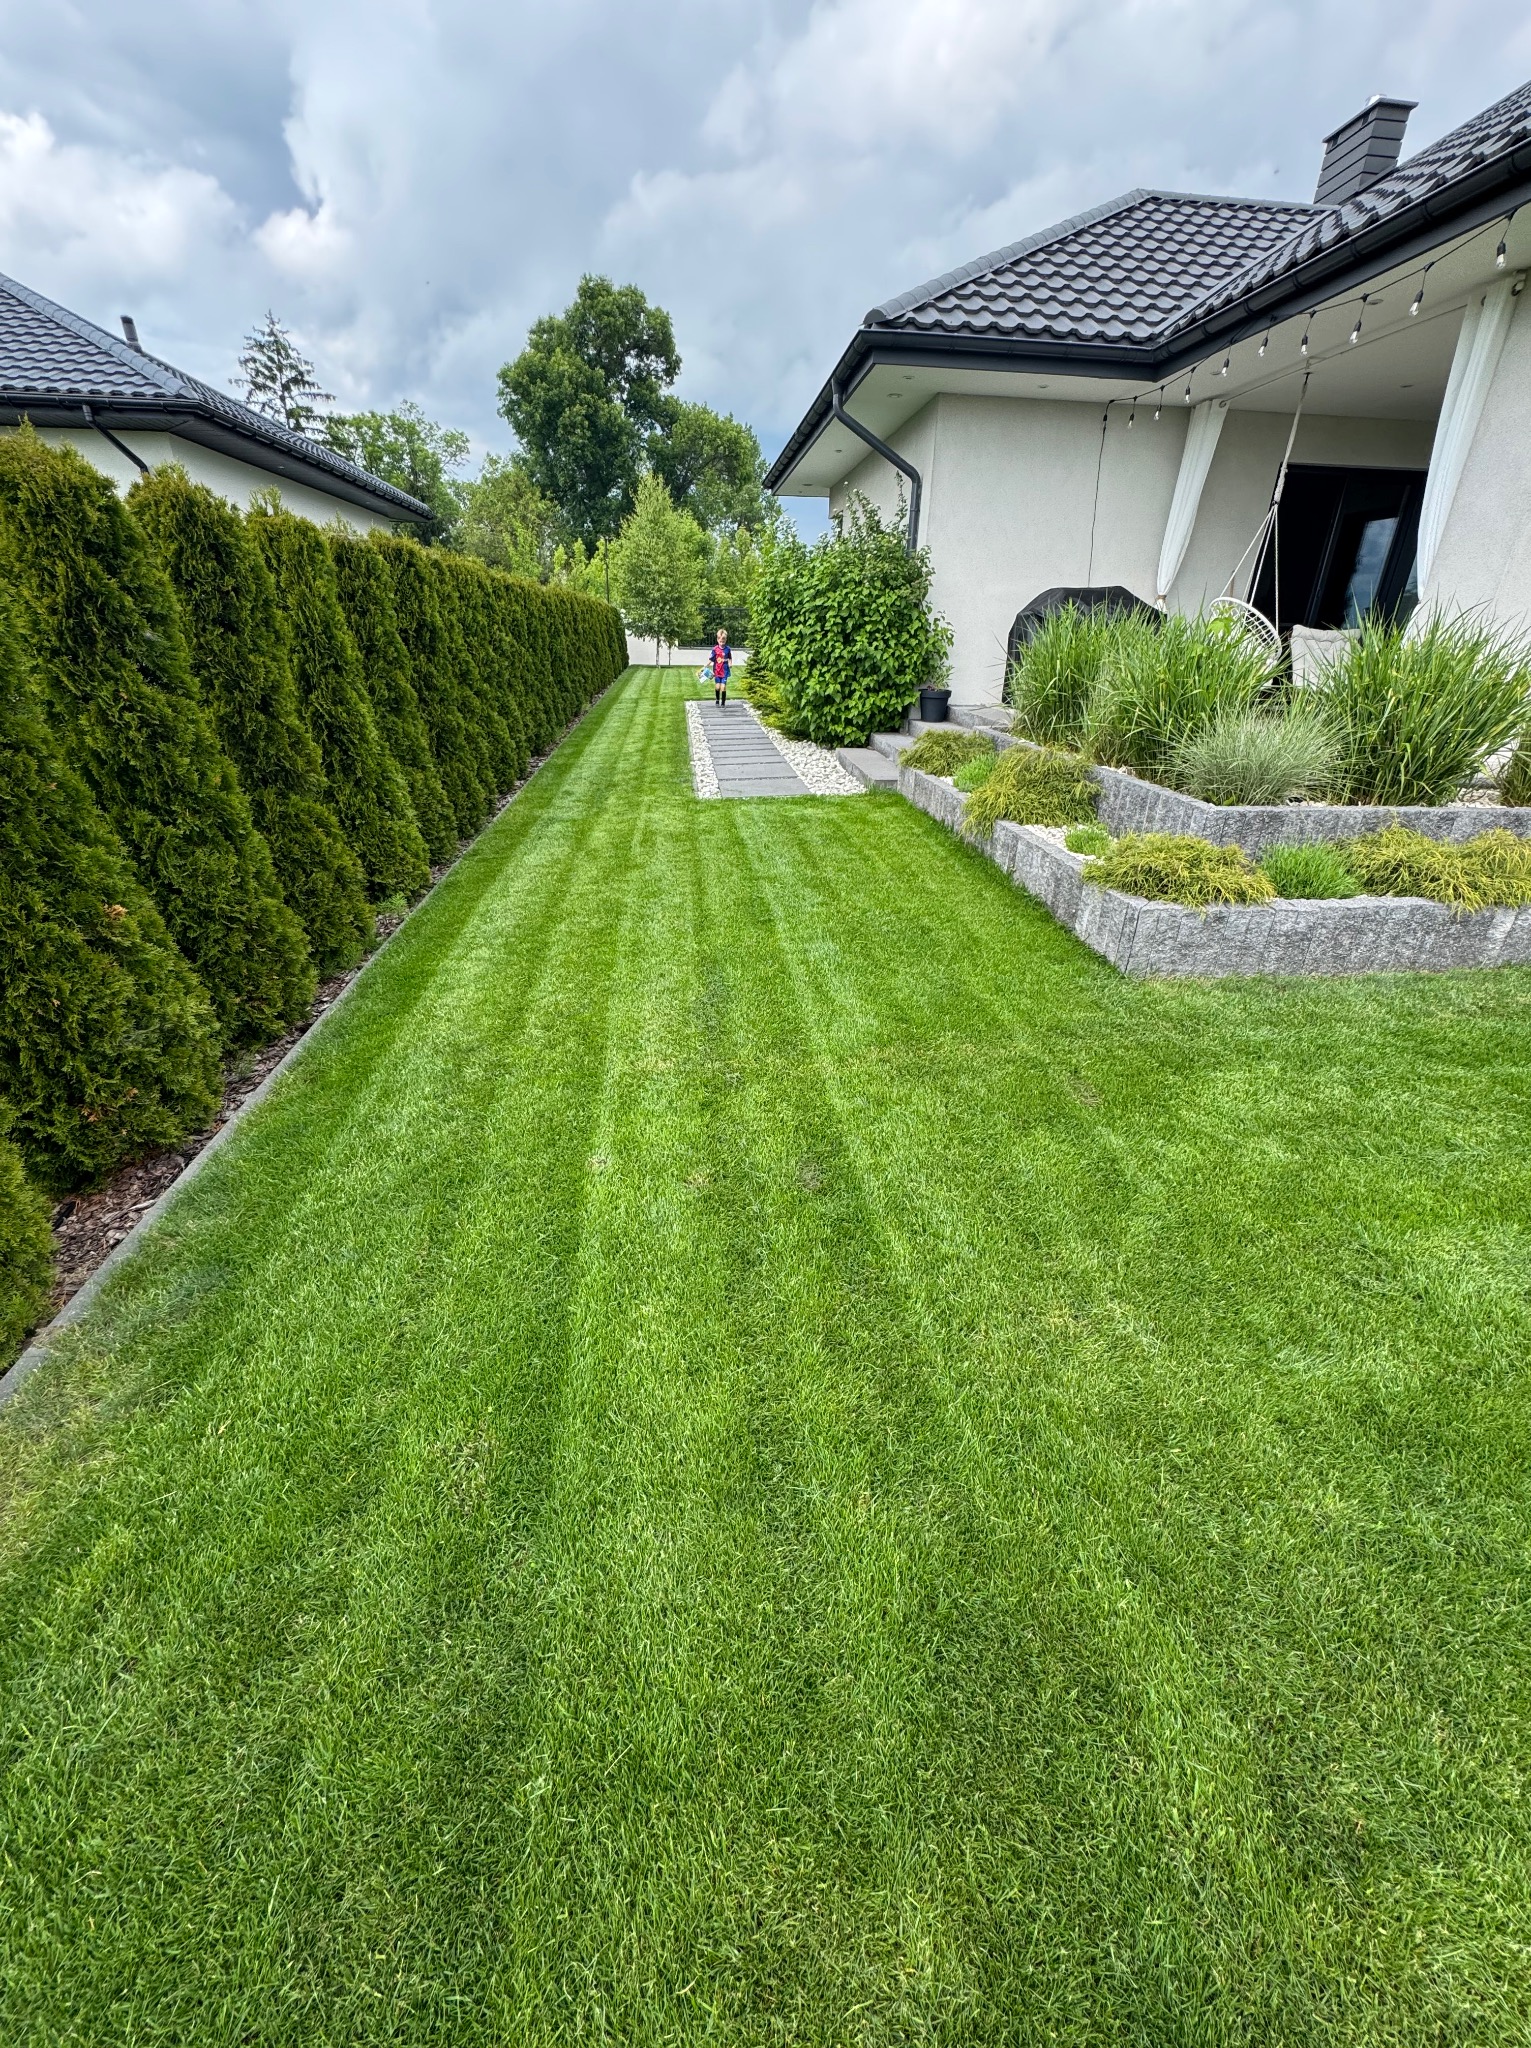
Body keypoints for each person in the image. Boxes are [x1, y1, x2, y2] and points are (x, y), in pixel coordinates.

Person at [709, 627, 732, 708]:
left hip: (724, 671)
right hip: (717, 671)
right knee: (718, 687)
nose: (722, 643)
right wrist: (706, 665)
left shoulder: (728, 649)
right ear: (718, 640)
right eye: (721, 641)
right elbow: (711, 659)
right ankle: (717, 699)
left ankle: (723, 702)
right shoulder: (715, 649)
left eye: (724, 641)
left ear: (726, 640)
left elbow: (729, 658)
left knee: (723, 687)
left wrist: (730, 663)